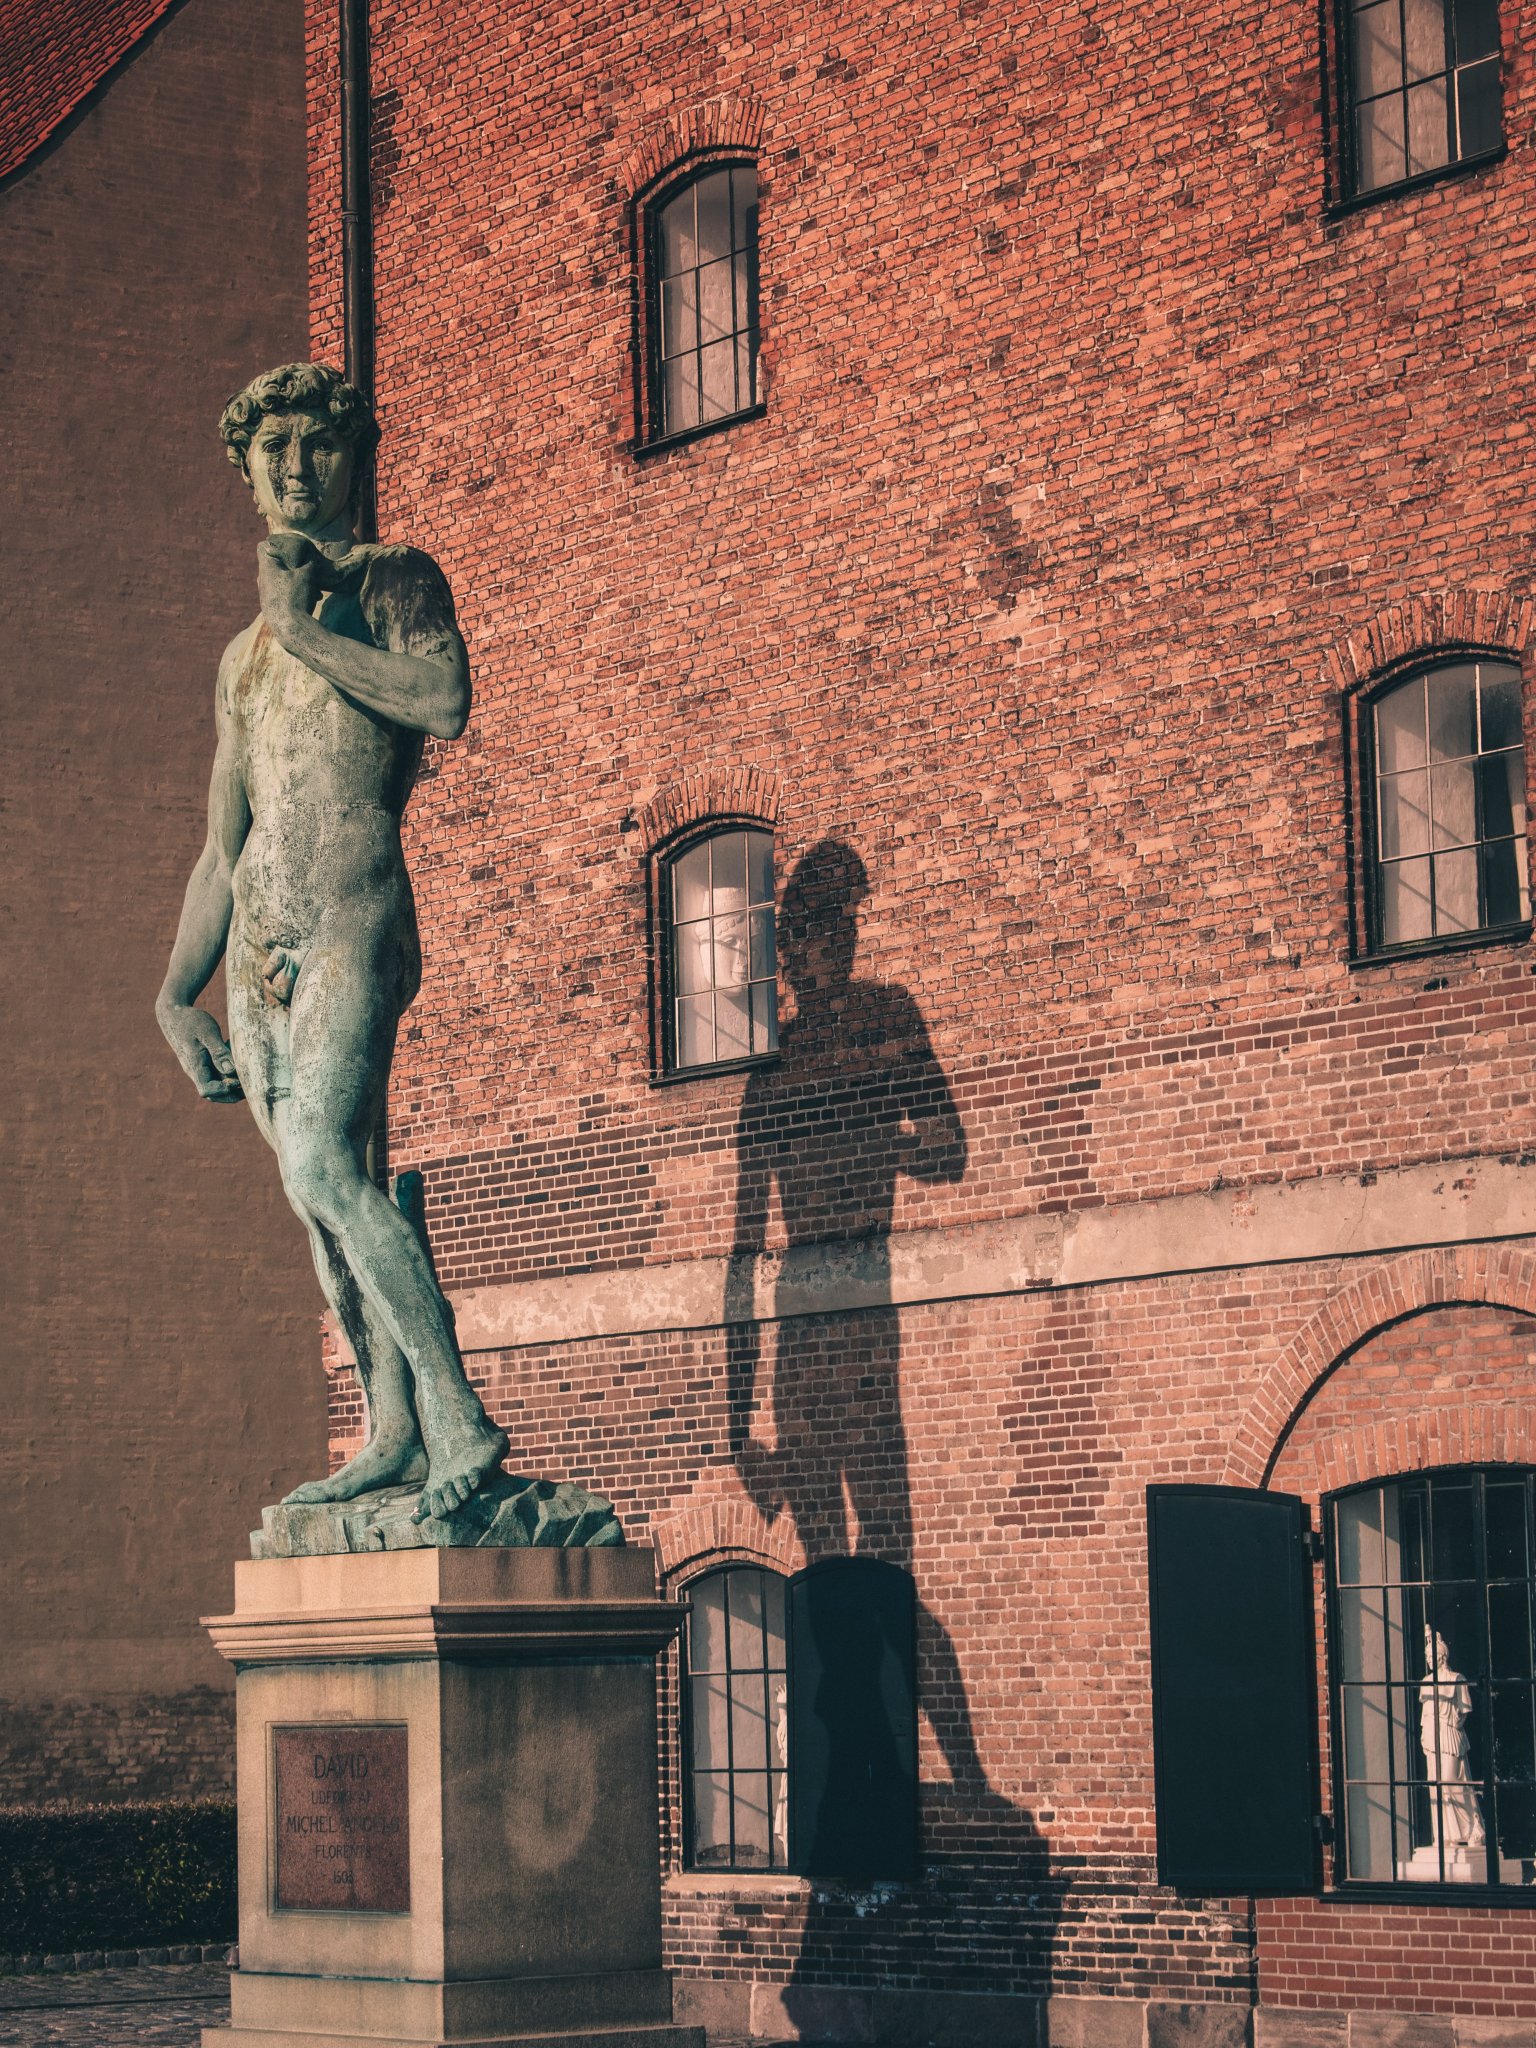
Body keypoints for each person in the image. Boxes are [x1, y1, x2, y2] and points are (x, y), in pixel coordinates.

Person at [156, 362, 508, 1522]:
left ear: (355, 457)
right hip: (262, 945)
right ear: (249, 474)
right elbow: (221, 845)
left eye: (319, 444)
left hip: (354, 912)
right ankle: (392, 1429)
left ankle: (457, 1414)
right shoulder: (240, 657)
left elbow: (443, 699)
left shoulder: (391, 578)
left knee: (321, 1165)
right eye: (276, 450)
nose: (298, 467)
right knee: (317, 1201)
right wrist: (174, 995)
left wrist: (304, 628)